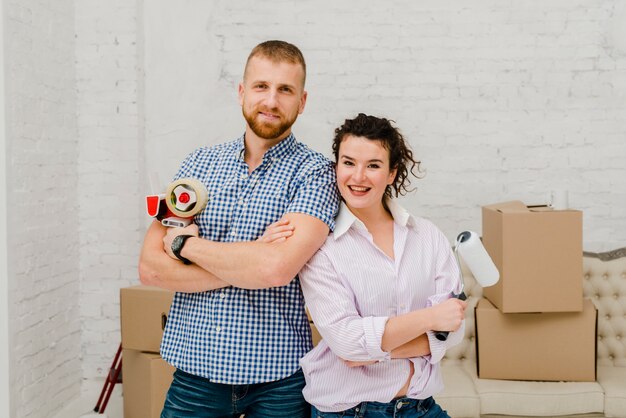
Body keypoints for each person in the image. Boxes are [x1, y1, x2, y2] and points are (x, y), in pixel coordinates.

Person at [138, 40, 339, 418]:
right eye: (261, 86)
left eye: (285, 90)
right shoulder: (198, 164)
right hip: (195, 374)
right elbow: (150, 267)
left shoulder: (316, 173)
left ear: (303, 100)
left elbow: (276, 270)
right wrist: (252, 257)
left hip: (279, 381)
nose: (271, 100)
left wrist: (185, 244)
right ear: (242, 92)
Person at [263, 113, 467, 417]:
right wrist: (430, 317)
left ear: (391, 174)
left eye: (373, 165)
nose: (358, 177)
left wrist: (376, 352)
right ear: (336, 168)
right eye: (348, 163)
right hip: (350, 411)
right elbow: (347, 343)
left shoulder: (427, 236)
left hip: (421, 408)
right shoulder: (321, 246)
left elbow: (454, 329)